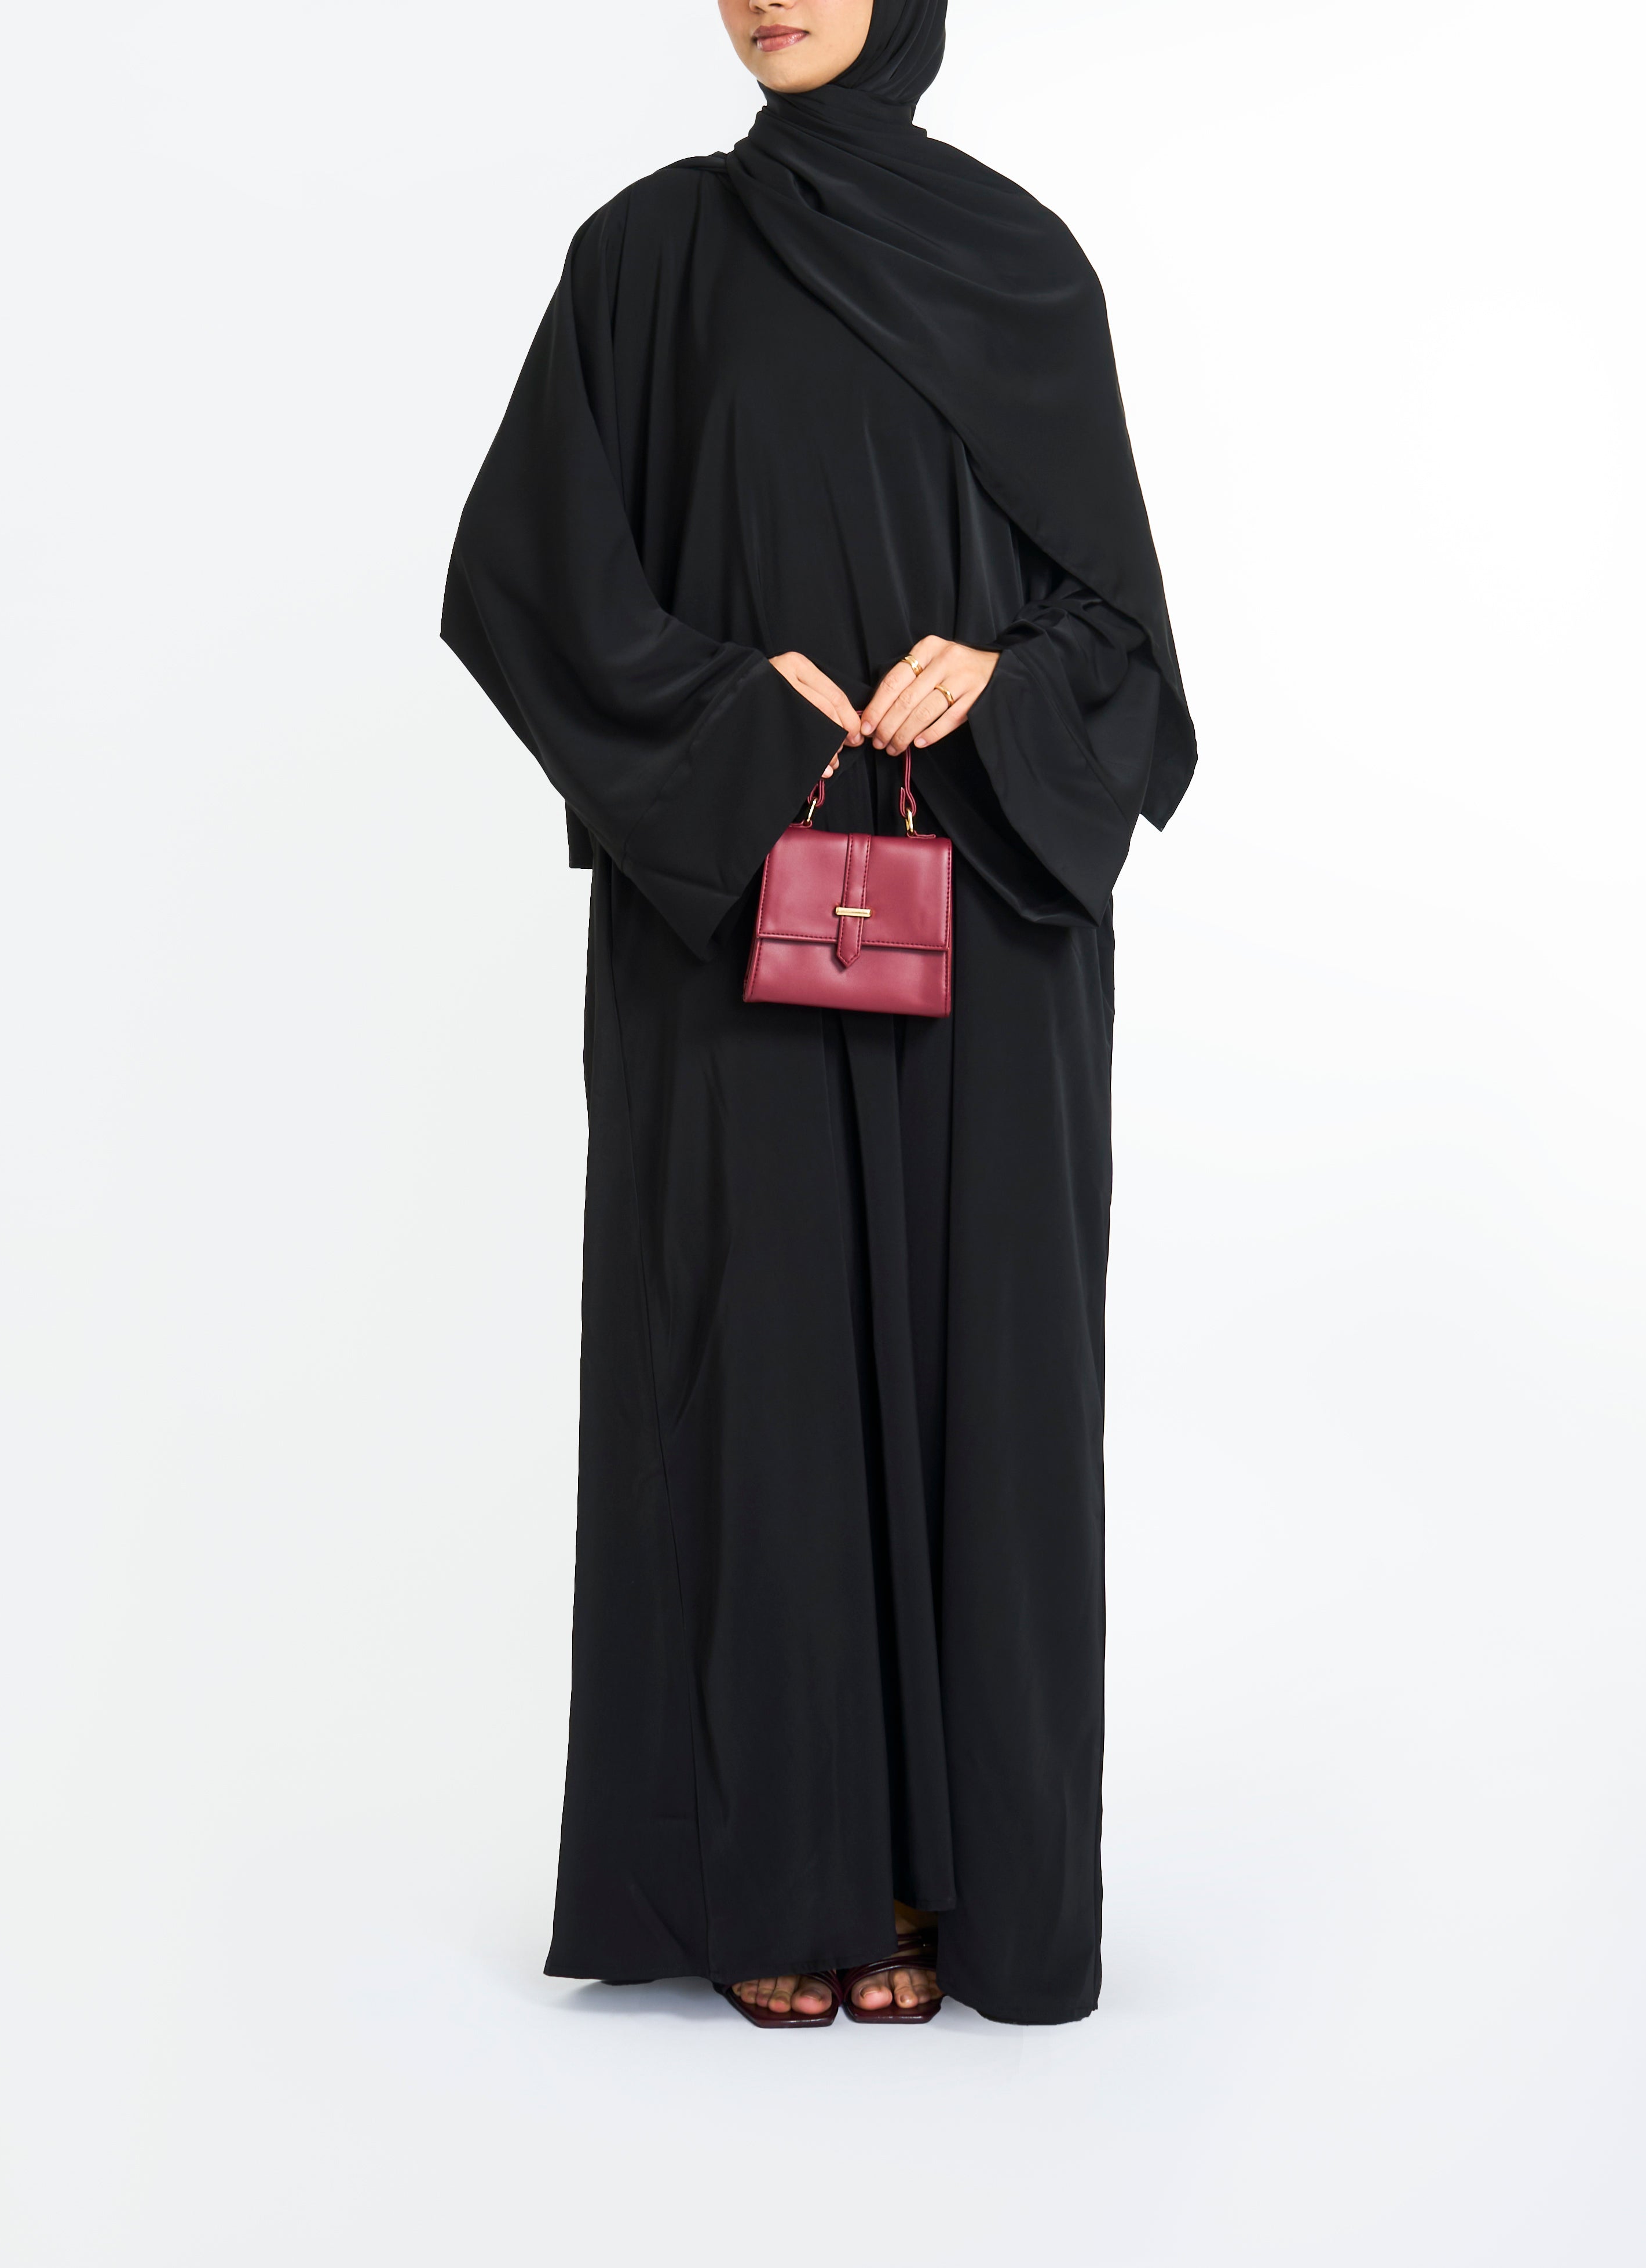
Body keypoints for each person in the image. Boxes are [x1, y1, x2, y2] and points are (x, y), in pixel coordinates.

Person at [441, 0, 1195, 2028]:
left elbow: (1126, 648)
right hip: (733, 896)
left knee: (980, 1374)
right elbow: (517, 581)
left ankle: (955, 1876)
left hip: (986, 912)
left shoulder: (1021, 266)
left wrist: (1000, 678)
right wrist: (724, 701)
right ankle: (781, 1869)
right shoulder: (647, 259)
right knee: (753, 1363)